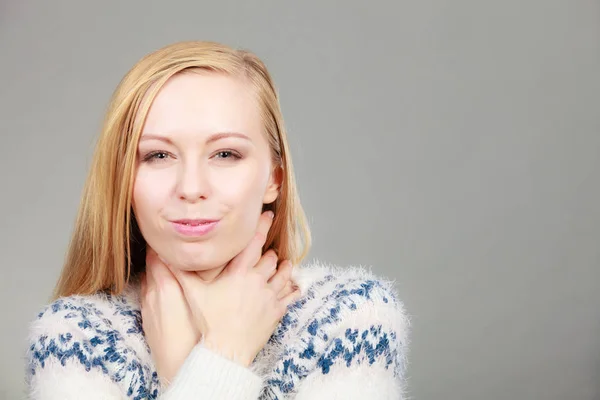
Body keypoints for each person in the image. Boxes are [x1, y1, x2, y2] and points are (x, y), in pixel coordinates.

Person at [25, 41, 409, 399]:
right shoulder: (73, 335)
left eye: (225, 154)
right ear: (123, 180)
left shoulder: (352, 317)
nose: (191, 188)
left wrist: (194, 363)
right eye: (158, 155)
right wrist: (224, 352)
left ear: (275, 179)